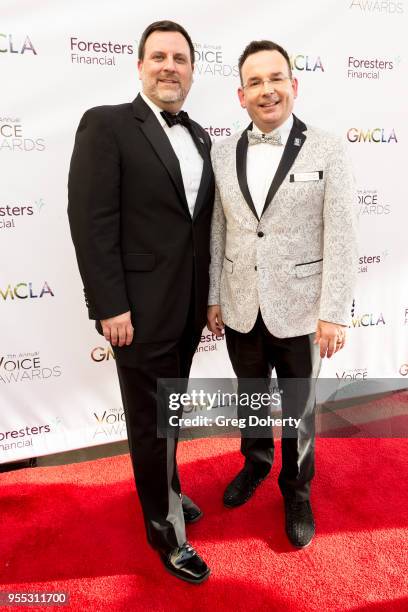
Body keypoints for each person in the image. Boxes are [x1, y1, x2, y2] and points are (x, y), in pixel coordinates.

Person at [68, 20, 214, 583]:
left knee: (168, 414)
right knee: (152, 425)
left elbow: (195, 227)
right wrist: (110, 306)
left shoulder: (199, 135)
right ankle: (165, 531)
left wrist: (209, 302)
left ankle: (171, 489)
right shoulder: (106, 125)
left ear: (193, 70)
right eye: (159, 56)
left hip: (187, 310)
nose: (169, 66)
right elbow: (91, 222)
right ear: (139, 65)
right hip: (135, 313)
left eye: (180, 58)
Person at [207, 40, 357, 548]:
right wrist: (213, 297)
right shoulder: (223, 151)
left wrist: (334, 311)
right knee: (251, 398)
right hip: (241, 302)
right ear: (240, 94)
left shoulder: (329, 146)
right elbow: (218, 231)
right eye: (255, 82)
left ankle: (296, 488)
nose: (266, 89)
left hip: (302, 311)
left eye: (276, 78)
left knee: (299, 409)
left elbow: (341, 233)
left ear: (294, 85)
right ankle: (255, 462)